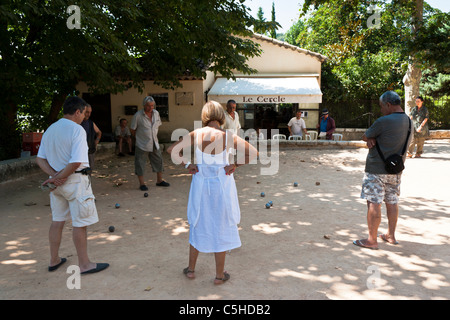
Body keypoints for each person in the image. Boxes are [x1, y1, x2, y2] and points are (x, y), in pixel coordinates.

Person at [167, 101, 258, 284]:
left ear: (205, 116)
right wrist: (234, 165)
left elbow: (171, 150)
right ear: (221, 116)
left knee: (198, 222)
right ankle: (219, 276)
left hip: (201, 187)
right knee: (221, 226)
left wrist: (187, 164)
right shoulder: (227, 136)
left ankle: (191, 270)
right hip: (222, 187)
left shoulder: (196, 133)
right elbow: (253, 153)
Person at [36, 96, 109, 274]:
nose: (85, 117)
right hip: (76, 182)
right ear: (77, 111)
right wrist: (60, 177)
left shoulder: (50, 129)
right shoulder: (77, 130)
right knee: (80, 223)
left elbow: (40, 158)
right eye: (84, 113)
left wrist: (54, 176)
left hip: (56, 185)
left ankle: (54, 259)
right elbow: (76, 161)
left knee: (57, 221)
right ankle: (84, 264)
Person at [353, 91, 412, 250]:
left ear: (388, 104)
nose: (380, 110)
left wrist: (371, 138)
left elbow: (365, 136)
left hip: (376, 169)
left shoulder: (383, 121)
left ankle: (372, 240)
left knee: (374, 202)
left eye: (381, 106)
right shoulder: (409, 122)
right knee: (392, 202)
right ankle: (391, 235)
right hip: (396, 170)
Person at [131, 96, 169, 191]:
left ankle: (159, 181)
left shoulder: (156, 113)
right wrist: (139, 138)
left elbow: (157, 126)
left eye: (152, 105)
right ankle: (142, 184)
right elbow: (132, 129)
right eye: (149, 106)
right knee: (140, 163)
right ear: (144, 105)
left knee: (159, 161)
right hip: (142, 144)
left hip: (154, 142)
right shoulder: (138, 115)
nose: (151, 108)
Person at [80, 104, 102, 169]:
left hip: (90, 151)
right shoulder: (76, 123)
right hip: (79, 152)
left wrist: (95, 142)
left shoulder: (90, 123)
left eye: (90, 112)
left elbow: (99, 132)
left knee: (90, 169)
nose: (89, 114)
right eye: (87, 112)